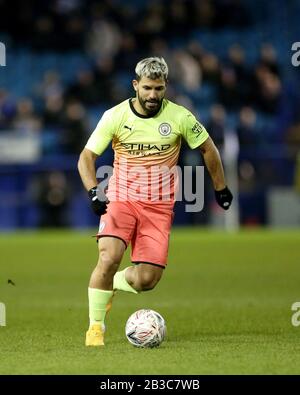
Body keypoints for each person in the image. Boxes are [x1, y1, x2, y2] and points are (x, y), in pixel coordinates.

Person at [77, 57, 233, 346]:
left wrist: (220, 187)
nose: (152, 95)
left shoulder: (180, 117)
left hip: (159, 206)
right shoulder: (115, 116)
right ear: (135, 85)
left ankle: (113, 283)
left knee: (147, 280)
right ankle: (95, 328)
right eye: (147, 88)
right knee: (108, 257)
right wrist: (93, 191)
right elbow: (86, 158)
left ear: (166, 87)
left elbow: (208, 149)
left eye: (158, 89)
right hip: (121, 199)